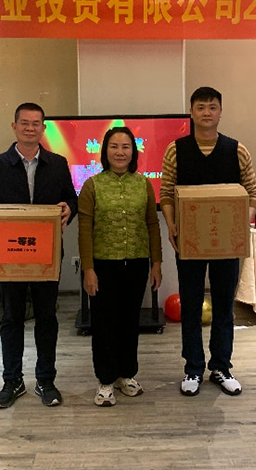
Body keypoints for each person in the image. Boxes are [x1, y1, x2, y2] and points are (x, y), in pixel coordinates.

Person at [0, 102, 78, 409]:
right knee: (11, 318)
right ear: (14, 126)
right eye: (25, 123)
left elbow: (70, 199)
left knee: (46, 318)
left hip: (47, 255)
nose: (30, 128)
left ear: (43, 128)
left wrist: (69, 208)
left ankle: (46, 380)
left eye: (36, 124)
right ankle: (12, 381)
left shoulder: (57, 164)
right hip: (9, 257)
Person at [160, 87, 256, 397]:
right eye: (201, 107)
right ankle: (192, 368)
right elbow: (166, 193)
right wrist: (172, 224)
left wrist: (240, 224)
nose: (207, 112)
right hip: (189, 241)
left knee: (224, 306)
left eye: (212, 107)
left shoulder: (237, 150)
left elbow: (253, 193)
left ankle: (221, 366)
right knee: (190, 305)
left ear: (220, 112)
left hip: (226, 242)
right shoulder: (176, 150)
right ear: (191, 112)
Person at [78, 127, 163, 407]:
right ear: (105, 151)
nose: (120, 152)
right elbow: (84, 230)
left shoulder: (143, 184)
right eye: (114, 146)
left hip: (137, 263)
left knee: (129, 321)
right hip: (102, 265)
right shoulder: (92, 185)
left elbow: (152, 224)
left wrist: (156, 263)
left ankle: (126, 374)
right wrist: (88, 269)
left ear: (133, 152)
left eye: (126, 147)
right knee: (104, 323)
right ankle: (105, 380)